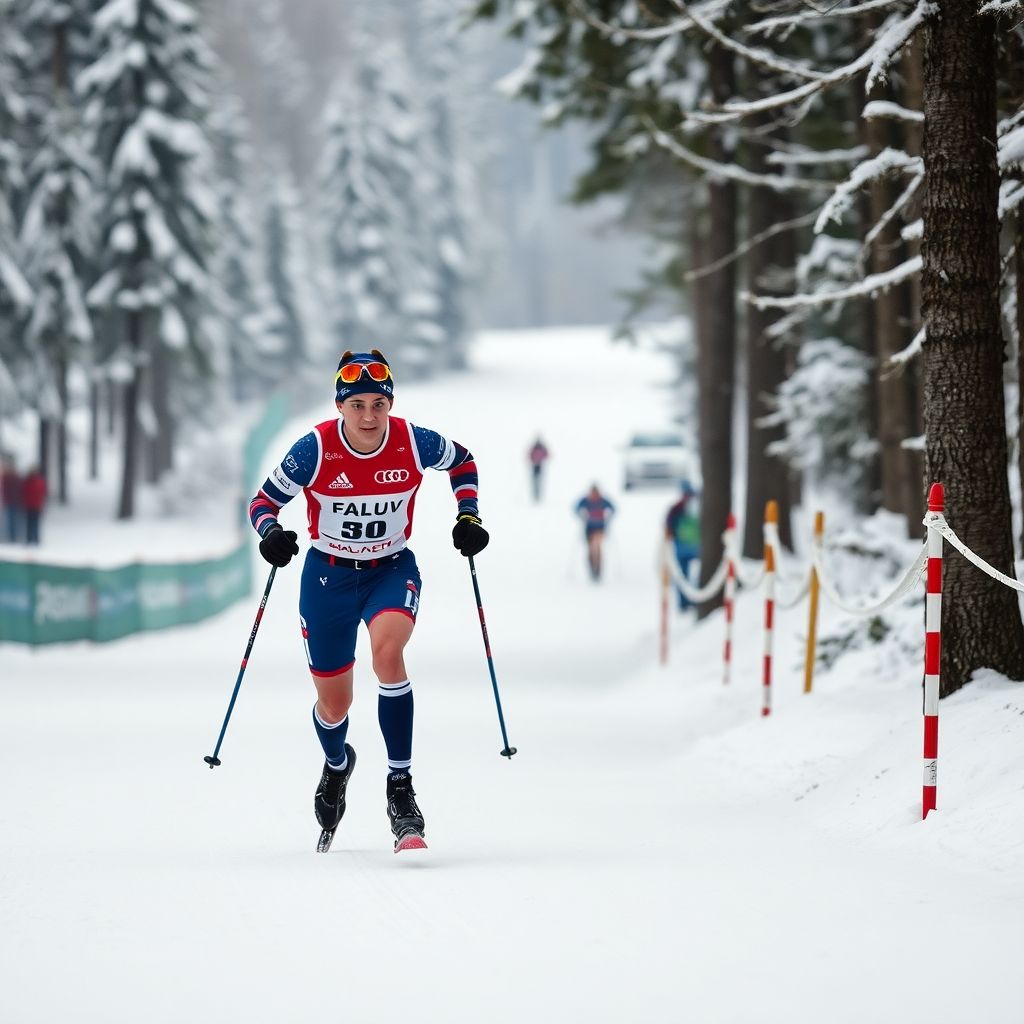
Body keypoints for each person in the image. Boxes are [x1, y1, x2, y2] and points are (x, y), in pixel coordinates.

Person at [248, 349, 489, 853]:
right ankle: (337, 764)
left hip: (390, 569)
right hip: (327, 578)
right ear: (340, 406)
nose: (368, 416)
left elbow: (462, 460)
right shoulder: (314, 448)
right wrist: (271, 533)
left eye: (378, 404)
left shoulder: (411, 441)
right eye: (356, 404)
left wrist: (468, 516)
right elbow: (262, 502)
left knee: (388, 655)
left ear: (390, 403)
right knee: (335, 705)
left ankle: (400, 789)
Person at [665, 480, 700, 611]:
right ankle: (687, 601)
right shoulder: (697, 505)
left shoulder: (676, 508)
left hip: (684, 547)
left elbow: (668, 526)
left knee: (683, 575)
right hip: (692, 547)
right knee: (683, 575)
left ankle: (686, 601)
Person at [575, 484, 615, 581]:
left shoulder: (602, 501)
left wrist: (609, 516)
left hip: (600, 527)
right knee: (591, 549)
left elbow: (613, 508)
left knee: (597, 546)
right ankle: (592, 567)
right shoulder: (586, 500)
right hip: (589, 528)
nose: (594, 495)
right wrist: (581, 515)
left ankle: (598, 569)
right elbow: (576, 508)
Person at [21, 466, 46, 546]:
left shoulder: (30, 481)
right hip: (33, 505)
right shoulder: (37, 481)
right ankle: (33, 539)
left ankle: (32, 539)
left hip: (33, 505)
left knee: (32, 523)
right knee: (33, 523)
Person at [1, 457, 21, 543]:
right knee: (10, 520)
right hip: (11, 501)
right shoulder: (10, 478)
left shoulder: (9, 478)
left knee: (11, 520)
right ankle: (11, 536)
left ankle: (12, 536)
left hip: (12, 501)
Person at [527, 436, 550, 502]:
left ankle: (537, 495)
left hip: (538, 465)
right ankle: (536, 495)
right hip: (536, 465)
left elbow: (546, 455)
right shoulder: (538, 448)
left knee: (537, 481)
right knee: (536, 481)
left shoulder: (537, 448)